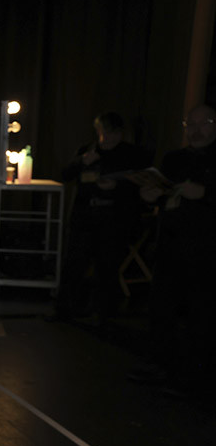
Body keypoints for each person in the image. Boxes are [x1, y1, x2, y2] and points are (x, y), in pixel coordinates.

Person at [132, 104, 216, 399]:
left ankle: (194, 376)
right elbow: (160, 191)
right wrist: (148, 195)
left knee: (200, 315)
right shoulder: (174, 158)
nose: (196, 130)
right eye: (190, 124)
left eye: (203, 123)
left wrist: (205, 193)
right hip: (170, 245)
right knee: (162, 308)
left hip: (206, 252)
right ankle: (160, 365)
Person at [56, 111, 150, 322]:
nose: (107, 137)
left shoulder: (132, 155)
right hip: (85, 216)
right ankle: (67, 310)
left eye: (113, 133)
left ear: (120, 133)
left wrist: (117, 186)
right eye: (103, 132)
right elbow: (64, 175)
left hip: (113, 219)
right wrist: (81, 162)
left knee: (107, 267)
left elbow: (142, 184)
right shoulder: (87, 152)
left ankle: (105, 315)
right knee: (75, 264)